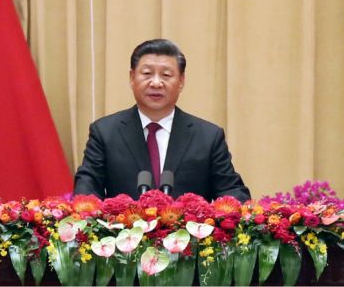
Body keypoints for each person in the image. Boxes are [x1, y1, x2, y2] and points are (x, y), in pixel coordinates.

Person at [74, 39, 250, 201]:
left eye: (166, 75)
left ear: (181, 81)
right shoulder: (105, 132)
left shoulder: (208, 137)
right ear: (132, 78)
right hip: (122, 226)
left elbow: (231, 192)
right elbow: (87, 187)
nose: (156, 83)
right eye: (147, 73)